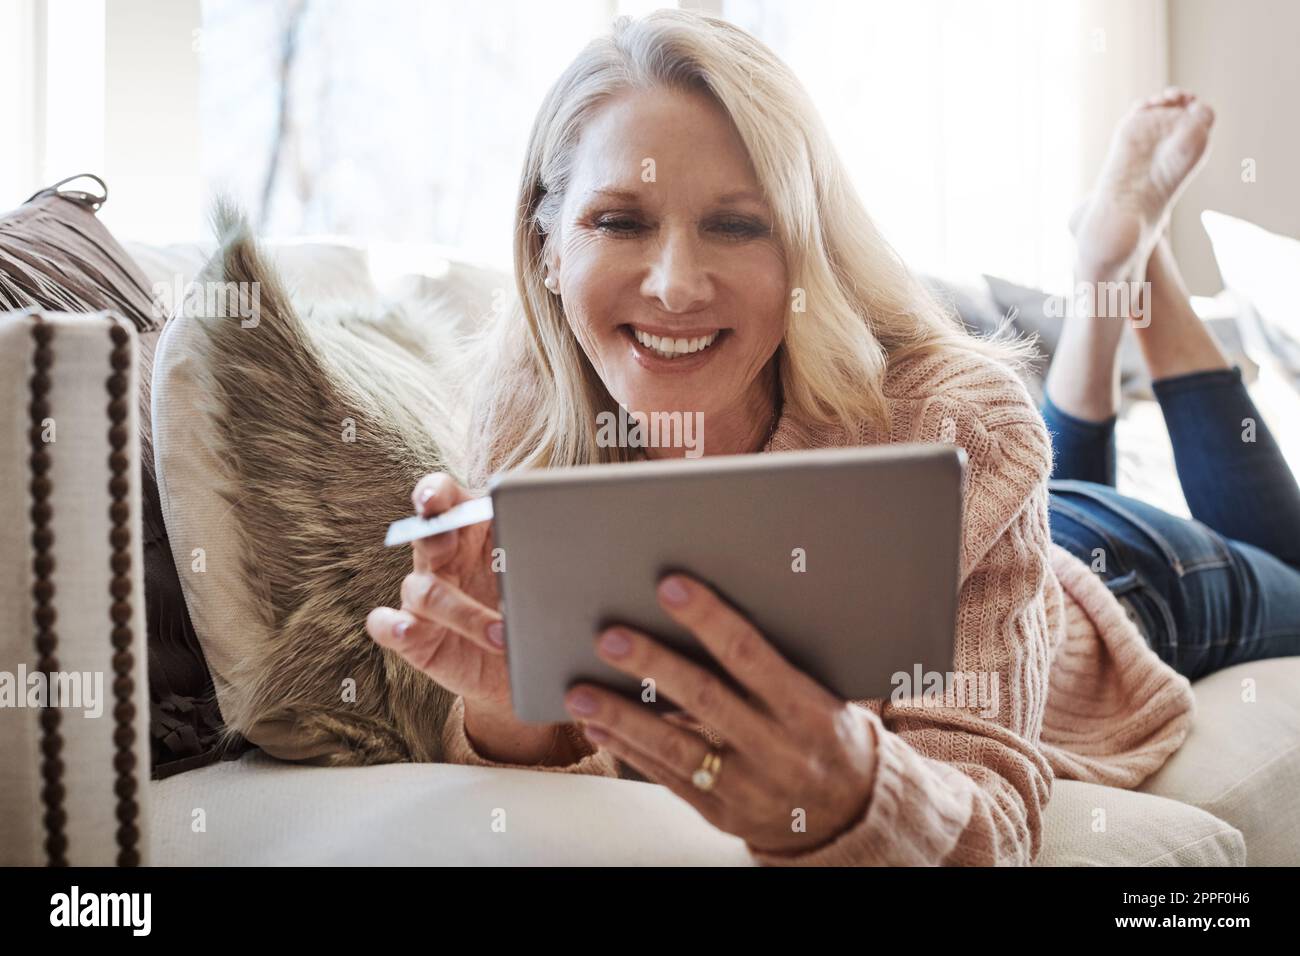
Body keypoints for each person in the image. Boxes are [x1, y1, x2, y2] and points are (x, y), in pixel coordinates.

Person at [365, 11, 1300, 865]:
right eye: (619, 221)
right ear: (547, 248)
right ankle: (1111, 268)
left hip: (1119, 586)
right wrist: (505, 701)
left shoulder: (957, 421)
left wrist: (854, 795)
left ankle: (1132, 271)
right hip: (1026, 511)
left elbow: (991, 817)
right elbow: (551, 769)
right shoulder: (524, 419)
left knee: (1288, 562)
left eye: (736, 225)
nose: (677, 286)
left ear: (804, 249)